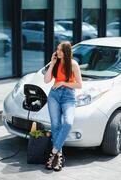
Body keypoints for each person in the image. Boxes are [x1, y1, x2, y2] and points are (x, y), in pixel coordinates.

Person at [44, 41, 82, 171]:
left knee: (68, 123)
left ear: (66, 51)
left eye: (60, 50)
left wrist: (63, 83)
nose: (57, 51)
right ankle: (59, 157)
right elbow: (46, 80)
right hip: (54, 95)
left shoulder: (73, 64)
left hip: (68, 97)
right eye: (57, 49)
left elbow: (79, 85)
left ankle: (54, 151)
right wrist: (52, 63)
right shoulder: (56, 62)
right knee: (55, 125)